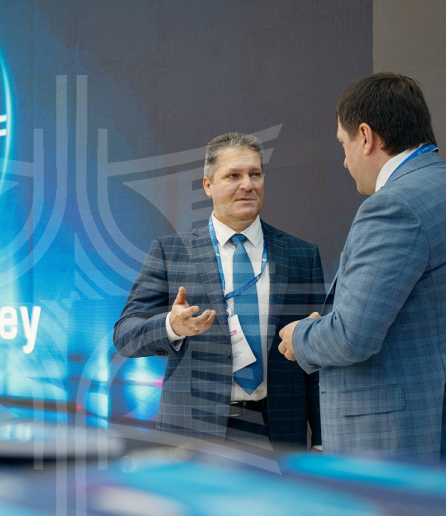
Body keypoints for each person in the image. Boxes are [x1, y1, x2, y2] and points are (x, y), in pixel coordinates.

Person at [278, 72, 446, 462]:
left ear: (366, 137)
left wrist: (300, 336)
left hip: (402, 443)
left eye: (343, 144)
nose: (345, 161)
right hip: (445, 426)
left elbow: (352, 336)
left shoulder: (393, 206)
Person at [114, 132, 324, 448]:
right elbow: (125, 336)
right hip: (193, 431)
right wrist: (171, 326)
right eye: (233, 176)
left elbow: (317, 353)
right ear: (208, 185)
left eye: (255, 174)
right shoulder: (172, 252)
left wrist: (321, 440)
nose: (247, 184)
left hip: (279, 431)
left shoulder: (300, 255)